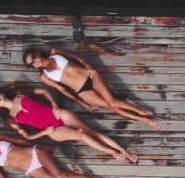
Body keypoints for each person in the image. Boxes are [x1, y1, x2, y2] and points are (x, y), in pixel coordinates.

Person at [0, 86, 138, 162]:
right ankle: (112, 152)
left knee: (92, 132)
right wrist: (44, 132)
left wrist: (55, 105)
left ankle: (122, 149)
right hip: (52, 130)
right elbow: (27, 136)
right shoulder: (11, 119)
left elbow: (43, 91)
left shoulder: (19, 93)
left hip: (58, 114)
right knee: (82, 135)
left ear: (1, 93)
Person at [22, 47, 160, 129]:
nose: (35, 61)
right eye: (32, 63)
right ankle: (144, 119)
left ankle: (140, 110)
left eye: (34, 57)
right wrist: (80, 102)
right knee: (112, 107)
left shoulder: (55, 52)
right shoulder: (45, 77)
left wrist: (88, 66)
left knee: (111, 101)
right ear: (33, 66)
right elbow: (63, 90)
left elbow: (75, 56)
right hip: (82, 91)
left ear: (37, 53)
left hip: (90, 77)